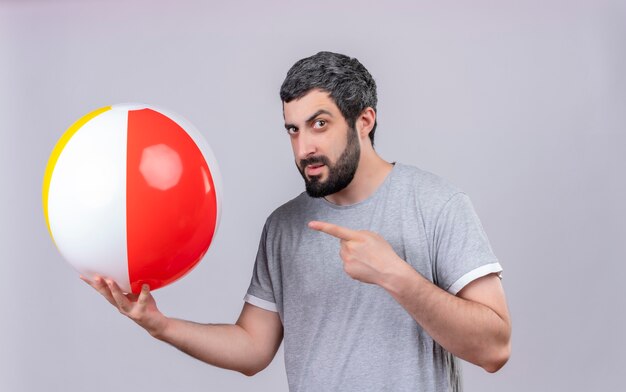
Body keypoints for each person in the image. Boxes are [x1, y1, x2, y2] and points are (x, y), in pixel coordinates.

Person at [83, 51, 511, 392]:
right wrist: (160, 325)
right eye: (292, 130)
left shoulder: (437, 203)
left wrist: (397, 276)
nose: (303, 147)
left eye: (319, 124)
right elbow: (253, 348)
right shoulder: (284, 226)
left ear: (364, 121)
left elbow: (494, 348)